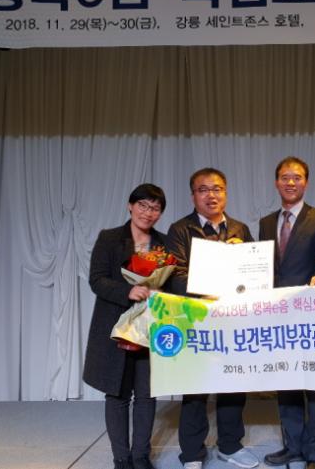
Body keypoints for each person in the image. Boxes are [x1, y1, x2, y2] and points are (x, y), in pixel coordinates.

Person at [166, 167, 259, 469]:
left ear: (226, 193)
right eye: (203, 189)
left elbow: (254, 273)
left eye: (217, 188)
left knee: (233, 384)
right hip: (197, 320)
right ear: (193, 196)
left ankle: (230, 445)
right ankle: (192, 453)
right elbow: (176, 276)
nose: (211, 195)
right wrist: (215, 282)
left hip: (232, 319)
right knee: (195, 388)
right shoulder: (180, 230)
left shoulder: (240, 229)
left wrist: (242, 258)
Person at [259, 156, 315, 469]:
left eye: (297, 177)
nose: (290, 182)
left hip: (311, 312)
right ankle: (293, 446)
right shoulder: (266, 222)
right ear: (276, 182)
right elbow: (262, 267)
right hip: (278, 314)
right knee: (287, 382)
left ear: (306, 182)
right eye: (285, 177)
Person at [83, 183, 169, 469]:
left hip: (150, 328)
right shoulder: (109, 238)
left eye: (155, 208)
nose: (148, 212)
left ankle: (141, 456)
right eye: (143, 205)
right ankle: (121, 458)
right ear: (130, 206)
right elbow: (97, 280)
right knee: (117, 394)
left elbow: (171, 283)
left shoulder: (164, 244)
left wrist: (161, 293)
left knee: (146, 395)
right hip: (115, 329)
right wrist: (127, 291)